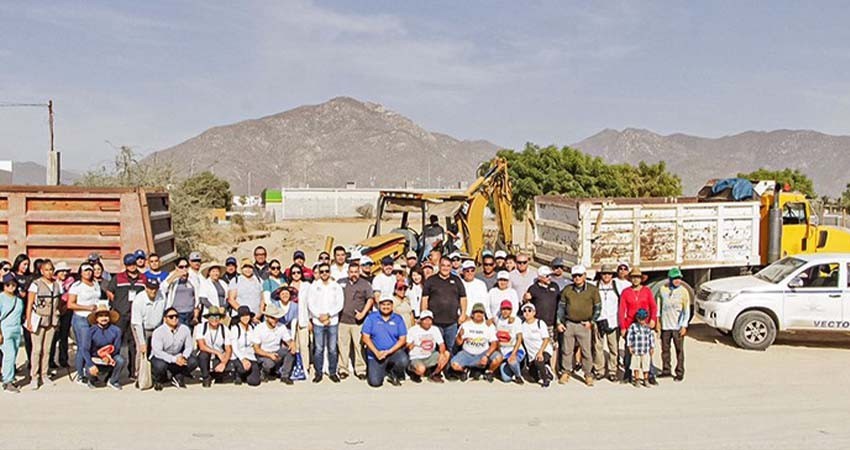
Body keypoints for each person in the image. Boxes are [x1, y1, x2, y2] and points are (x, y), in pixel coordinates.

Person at [556, 265, 601, 387]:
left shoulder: (592, 290)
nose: (577, 278)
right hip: (569, 323)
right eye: (575, 276)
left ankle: (588, 374)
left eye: (579, 275)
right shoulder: (567, 290)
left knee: (586, 351)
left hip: (584, 324)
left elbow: (598, 308)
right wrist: (559, 322)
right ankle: (566, 371)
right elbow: (561, 307)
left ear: (584, 276)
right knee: (567, 350)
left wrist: (591, 322)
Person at [106, 253, 147, 380]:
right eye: (129, 264)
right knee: (116, 343)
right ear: (125, 265)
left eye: (133, 264)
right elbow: (109, 290)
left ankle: (133, 372)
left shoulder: (143, 278)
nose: (132, 267)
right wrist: (116, 303)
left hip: (136, 316)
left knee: (134, 344)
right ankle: (112, 371)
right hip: (120, 315)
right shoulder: (118, 278)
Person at [25, 259, 63, 390]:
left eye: (51, 269)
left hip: (52, 320)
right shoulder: (35, 284)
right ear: (41, 271)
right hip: (39, 319)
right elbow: (29, 303)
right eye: (46, 270)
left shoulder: (57, 285)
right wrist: (29, 320)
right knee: (37, 350)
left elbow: (60, 303)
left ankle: (44, 374)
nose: (49, 272)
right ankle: (34, 376)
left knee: (47, 350)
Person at [421, 257, 467, 357]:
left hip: (452, 322)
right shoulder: (431, 280)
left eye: (448, 266)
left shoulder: (456, 280)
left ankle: (449, 370)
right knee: (436, 348)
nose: (445, 268)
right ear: (439, 266)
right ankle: (437, 370)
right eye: (443, 265)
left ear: (451, 267)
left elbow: (463, 298)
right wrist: (424, 317)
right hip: (435, 322)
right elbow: (425, 299)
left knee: (451, 347)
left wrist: (463, 314)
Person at [618, 267, 658, 384]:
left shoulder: (647, 291)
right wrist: (623, 326)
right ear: (630, 279)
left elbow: (653, 306)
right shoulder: (626, 292)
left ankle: (650, 374)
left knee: (647, 350)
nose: (635, 280)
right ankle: (628, 374)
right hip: (631, 324)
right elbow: (621, 310)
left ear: (641, 279)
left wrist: (653, 319)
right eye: (633, 277)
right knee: (629, 350)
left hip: (644, 323)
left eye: (638, 277)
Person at [307, 263, 344, 383]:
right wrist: (319, 316)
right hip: (318, 321)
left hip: (332, 320)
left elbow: (340, 304)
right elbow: (310, 303)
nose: (324, 273)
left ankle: (332, 372)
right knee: (318, 348)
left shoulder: (336, 286)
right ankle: (318, 373)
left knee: (332, 348)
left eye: (326, 271)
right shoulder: (314, 286)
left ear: (329, 272)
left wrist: (328, 315)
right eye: (321, 271)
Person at [361, 296, 408, 387]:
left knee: (403, 360)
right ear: (379, 305)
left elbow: (403, 339)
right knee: (375, 383)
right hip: (375, 353)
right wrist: (376, 352)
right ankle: (381, 369)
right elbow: (365, 337)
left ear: (392, 305)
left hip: (392, 352)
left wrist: (388, 352)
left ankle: (392, 372)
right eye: (383, 304)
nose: (386, 307)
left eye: (388, 304)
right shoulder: (371, 317)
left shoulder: (398, 319)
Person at [67, 263, 102, 382]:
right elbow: (70, 304)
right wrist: (87, 308)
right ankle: (81, 373)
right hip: (81, 318)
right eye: (86, 270)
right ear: (81, 273)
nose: (88, 273)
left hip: (94, 319)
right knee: (83, 346)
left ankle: (88, 371)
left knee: (90, 346)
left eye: (90, 270)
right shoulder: (76, 286)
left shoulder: (96, 284)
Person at [337, 262, 372, 380]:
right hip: (343, 320)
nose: (354, 274)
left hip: (358, 322)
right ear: (348, 272)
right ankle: (343, 369)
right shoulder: (341, 282)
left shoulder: (365, 284)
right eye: (351, 272)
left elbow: (370, 300)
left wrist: (363, 313)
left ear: (359, 271)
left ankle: (361, 369)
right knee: (343, 346)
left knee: (359, 346)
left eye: (356, 272)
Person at [450, 303, 502, 382]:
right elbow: (458, 343)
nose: (479, 314)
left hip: (483, 353)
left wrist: (486, 356)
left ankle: (489, 372)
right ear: (472, 314)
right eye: (476, 312)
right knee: (454, 364)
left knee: (498, 358)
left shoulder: (489, 326)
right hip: (467, 353)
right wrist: (460, 336)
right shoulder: (466, 325)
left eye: (481, 312)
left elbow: (494, 343)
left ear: (484, 314)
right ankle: (465, 370)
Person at [150, 307, 198, 391]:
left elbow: (189, 346)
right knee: (160, 366)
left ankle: (177, 375)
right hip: (162, 357)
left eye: (176, 316)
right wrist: (174, 359)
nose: (174, 318)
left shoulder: (185, 329)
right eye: (171, 317)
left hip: (178, 355)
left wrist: (184, 356)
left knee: (193, 361)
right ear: (165, 319)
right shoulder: (158, 332)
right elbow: (157, 352)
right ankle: (159, 380)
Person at [130, 277, 166, 388]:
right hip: (141, 326)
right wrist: (142, 342)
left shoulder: (162, 295)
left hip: (156, 327)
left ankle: (156, 375)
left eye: (155, 288)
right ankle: (139, 376)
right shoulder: (139, 300)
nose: (153, 291)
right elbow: (137, 323)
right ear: (146, 288)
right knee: (141, 352)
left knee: (157, 350)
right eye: (150, 288)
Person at [81, 303, 125, 390]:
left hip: (109, 356)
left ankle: (112, 380)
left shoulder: (116, 330)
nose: (104, 318)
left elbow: (116, 348)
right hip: (94, 357)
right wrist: (90, 364)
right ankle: (91, 379)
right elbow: (85, 349)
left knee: (120, 360)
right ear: (96, 318)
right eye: (101, 316)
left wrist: (108, 357)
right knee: (88, 364)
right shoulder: (90, 331)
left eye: (106, 315)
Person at [656, 267, 689, 382]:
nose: (677, 281)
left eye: (679, 278)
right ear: (670, 279)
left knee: (679, 350)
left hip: (677, 326)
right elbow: (658, 306)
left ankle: (679, 372)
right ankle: (666, 370)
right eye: (675, 278)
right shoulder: (662, 289)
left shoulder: (684, 292)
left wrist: (684, 325)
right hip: (665, 325)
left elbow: (686, 310)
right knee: (665, 350)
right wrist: (658, 322)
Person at [251, 304, 297, 384]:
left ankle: (285, 376)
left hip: (276, 351)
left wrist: (292, 344)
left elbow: (288, 340)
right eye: (272, 318)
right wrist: (269, 355)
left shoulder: (281, 327)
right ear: (267, 317)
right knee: (269, 363)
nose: (275, 320)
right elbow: (256, 349)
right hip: (263, 353)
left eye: (277, 318)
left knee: (290, 352)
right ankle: (264, 372)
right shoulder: (259, 328)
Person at [593, 263, 621, 382]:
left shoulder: (617, 285)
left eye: (609, 274)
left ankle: (612, 370)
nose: (606, 276)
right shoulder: (595, 286)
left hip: (613, 320)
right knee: (598, 346)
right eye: (604, 274)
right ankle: (599, 370)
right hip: (598, 319)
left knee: (613, 347)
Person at [194, 306, 232, 387]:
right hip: (208, 354)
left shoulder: (224, 329)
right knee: (203, 355)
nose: (214, 319)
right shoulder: (201, 327)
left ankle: (217, 375)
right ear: (208, 318)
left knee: (226, 363)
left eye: (217, 317)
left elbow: (228, 349)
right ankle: (206, 377)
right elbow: (202, 346)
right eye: (212, 317)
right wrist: (217, 352)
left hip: (220, 357)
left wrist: (223, 363)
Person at [406, 310, 449, 383]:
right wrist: (412, 345)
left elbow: (441, 344)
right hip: (416, 357)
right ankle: (413, 371)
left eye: (429, 320)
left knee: (446, 354)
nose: (427, 322)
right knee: (421, 369)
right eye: (425, 320)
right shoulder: (413, 330)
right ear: (420, 320)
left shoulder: (435, 329)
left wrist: (441, 354)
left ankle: (435, 374)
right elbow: (407, 346)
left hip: (430, 355)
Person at [520, 303, 554, 387]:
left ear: (534, 312)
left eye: (529, 310)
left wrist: (540, 352)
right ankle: (545, 369)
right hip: (532, 355)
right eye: (525, 311)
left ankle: (545, 379)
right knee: (533, 376)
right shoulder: (522, 325)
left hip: (544, 350)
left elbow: (546, 339)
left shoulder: (540, 323)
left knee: (539, 361)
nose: (527, 313)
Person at [0, 273, 23, 393]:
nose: (11, 286)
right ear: (4, 285)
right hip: (5, 329)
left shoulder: (18, 300)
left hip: (16, 330)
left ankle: (9, 377)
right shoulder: (1, 298)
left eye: (13, 284)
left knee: (13, 355)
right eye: (8, 284)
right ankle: (7, 381)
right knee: (9, 355)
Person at [288, 264, 312, 377]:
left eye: (298, 272)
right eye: (293, 273)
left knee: (304, 344)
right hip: (292, 319)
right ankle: (296, 366)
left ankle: (305, 367)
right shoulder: (288, 286)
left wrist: (310, 319)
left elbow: (310, 303)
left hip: (304, 318)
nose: (296, 274)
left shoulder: (306, 285)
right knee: (294, 345)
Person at [49, 261, 73, 371]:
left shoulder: (71, 282)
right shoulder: (53, 282)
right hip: (54, 311)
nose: (64, 273)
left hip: (66, 310)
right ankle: (50, 360)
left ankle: (63, 359)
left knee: (64, 336)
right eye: (61, 271)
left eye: (65, 271)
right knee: (53, 336)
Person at [163, 258, 201, 327]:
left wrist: (196, 315)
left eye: (186, 266)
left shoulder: (193, 278)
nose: (184, 269)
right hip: (177, 313)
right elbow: (163, 288)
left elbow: (197, 297)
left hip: (190, 312)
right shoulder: (173, 277)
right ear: (176, 267)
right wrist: (175, 275)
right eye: (181, 267)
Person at [229, 306, 261, 386]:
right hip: (238, 356)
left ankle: (247, 375)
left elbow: (256, 342)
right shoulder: (235, 328)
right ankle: (238, 375)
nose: (245, 318)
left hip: (250, 356)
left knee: (254, 382)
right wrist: (243, 359)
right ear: (239, 317)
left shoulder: (252, 327)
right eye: (243, 316)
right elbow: (234, 348)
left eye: (247, 315)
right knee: (242, 368)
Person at [494, 300, 524, 384]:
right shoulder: (498, 319)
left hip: (515, 350)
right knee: (506, 379)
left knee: (512, 361)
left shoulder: (516, 320)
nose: (505, 311)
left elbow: (519, 338)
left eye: (508, 309)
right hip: (503, 351)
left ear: (511, 311)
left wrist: (514, 353)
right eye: (503, 309)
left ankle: (518, 376)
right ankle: (511, 368)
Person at [11, 254, 32, 371]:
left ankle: (31, 361)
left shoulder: (29, 277)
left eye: (27, 264)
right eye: (24, 264)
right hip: (14, 310)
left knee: (28, 338)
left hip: (25, 311)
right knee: (13, 339)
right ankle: (11, 364)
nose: (26, 266)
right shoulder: (12, 275)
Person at [627, 309, 655, 387]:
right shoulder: (633, 327)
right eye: (640, 319)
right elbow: (629, 337)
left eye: (643, 319)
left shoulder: (647, 327)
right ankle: (637, 380)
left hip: (645, 350)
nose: (642, 321)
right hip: (636, 350)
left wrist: (652, 347)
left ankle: (646, 380)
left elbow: (651, 337)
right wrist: (629, 346)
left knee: (646, 366)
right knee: (636, 366)